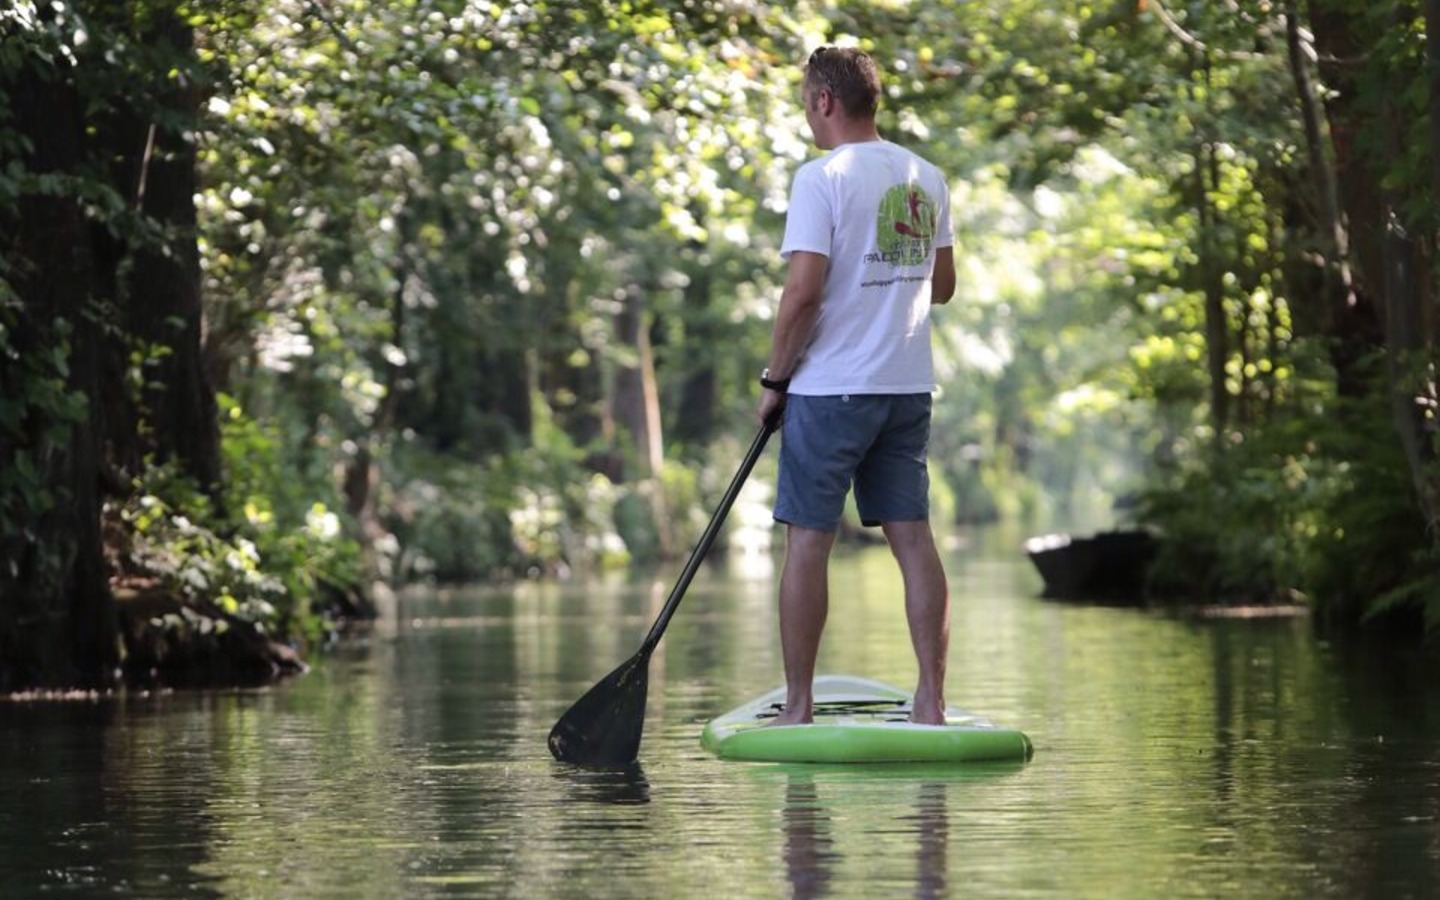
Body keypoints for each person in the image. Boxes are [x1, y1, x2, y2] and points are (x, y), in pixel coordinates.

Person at [757, 46, 956, 726]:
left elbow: (803, 293)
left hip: (829, 389)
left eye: (805, 102)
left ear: (824, 101)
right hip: (906, 387)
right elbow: (946, 285)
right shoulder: (924, 174)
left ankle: (801, 706)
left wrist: (775, 379)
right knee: (913, 539)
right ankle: (930, 700)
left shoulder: (823, 177)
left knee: (809, 540)